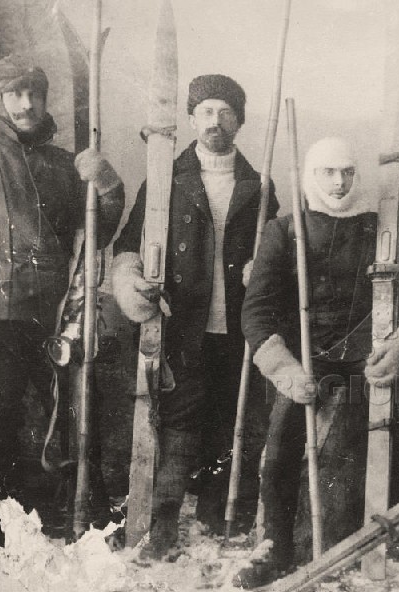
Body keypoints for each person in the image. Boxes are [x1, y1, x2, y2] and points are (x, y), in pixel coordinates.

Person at [0, 54, 125, 541]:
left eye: (34, 92)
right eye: (14, 93)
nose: (27, 103)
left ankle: (71, 527)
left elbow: (95, 235)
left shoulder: (63, 167)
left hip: (52, 321)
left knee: (66, 419)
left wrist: (107, 185)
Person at [234, 137, 399, 588]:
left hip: (368, 355)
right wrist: (283, 369)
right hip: (308, 356)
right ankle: (275, 543)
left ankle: (376, 535)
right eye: (328, 173)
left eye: (347, 172)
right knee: (282, 436)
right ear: (311, 175)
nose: (339, 182)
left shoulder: (380, 229)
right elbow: (256, 310)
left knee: (389, 427)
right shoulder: (284, 231)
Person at [112, 74, 279, 557]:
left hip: (238, 322)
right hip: (183, 319)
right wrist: (132, 280)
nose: (215, 121)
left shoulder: (259, 186)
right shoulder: (165, 179)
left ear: (239, 122)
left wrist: (262, 266)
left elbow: (276, 249)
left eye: (226, 113)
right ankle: (162, 519)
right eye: (206, 111)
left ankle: (216, 516)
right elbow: (129, 246)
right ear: (190, 119)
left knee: (232, 417)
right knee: (181, 418)